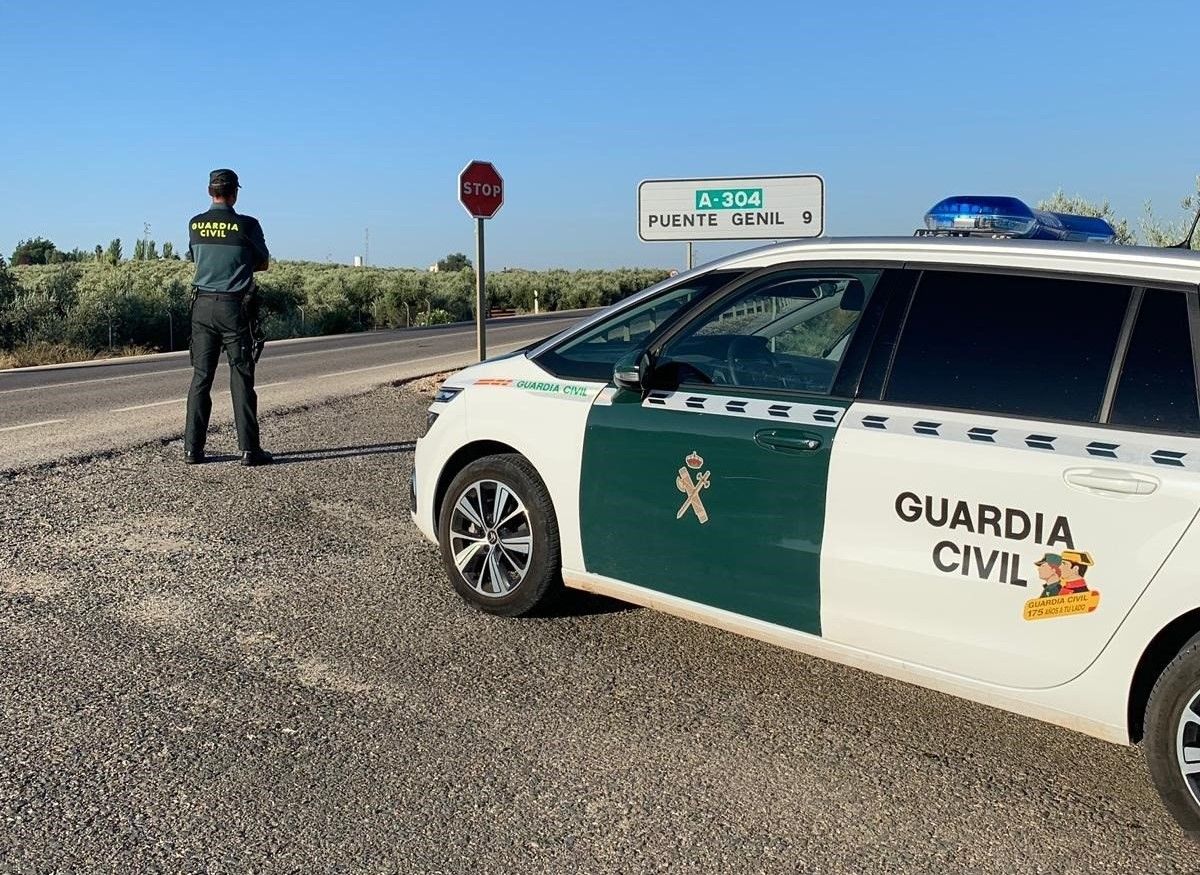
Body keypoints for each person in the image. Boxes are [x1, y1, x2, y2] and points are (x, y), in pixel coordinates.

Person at [184, 168, 273, 466]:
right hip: (234, 308)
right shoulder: (248, 225)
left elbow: (196, 257)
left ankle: (192, 450)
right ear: (234, 193)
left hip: (201, 307)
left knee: (201, 377)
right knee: (241, 376)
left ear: (210, 191)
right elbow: (263, 262)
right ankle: (249, 450)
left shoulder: (195, 224)